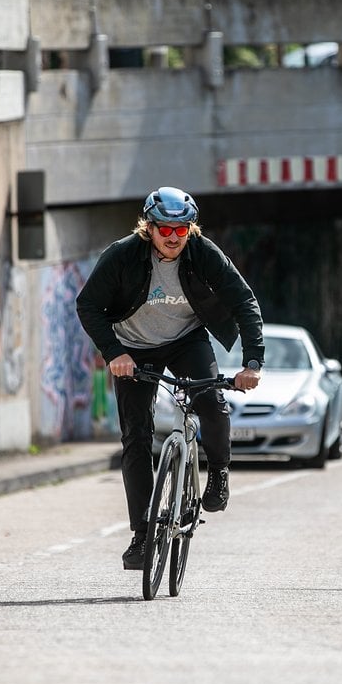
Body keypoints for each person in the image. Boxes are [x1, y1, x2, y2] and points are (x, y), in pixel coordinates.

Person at [76, 186, 265, 570]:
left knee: (211, 403)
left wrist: (253, 363)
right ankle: (142, 536)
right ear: (149, 227)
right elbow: (88, 305)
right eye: (165, 229)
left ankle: (219, 475)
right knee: (136, 438)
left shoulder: (203, 253)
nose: (174, 237)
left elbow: (244, 301)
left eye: (182, 230)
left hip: (185, 342)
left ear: (191, 229)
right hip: (133, 349)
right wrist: (115, 353)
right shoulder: (123, 254)